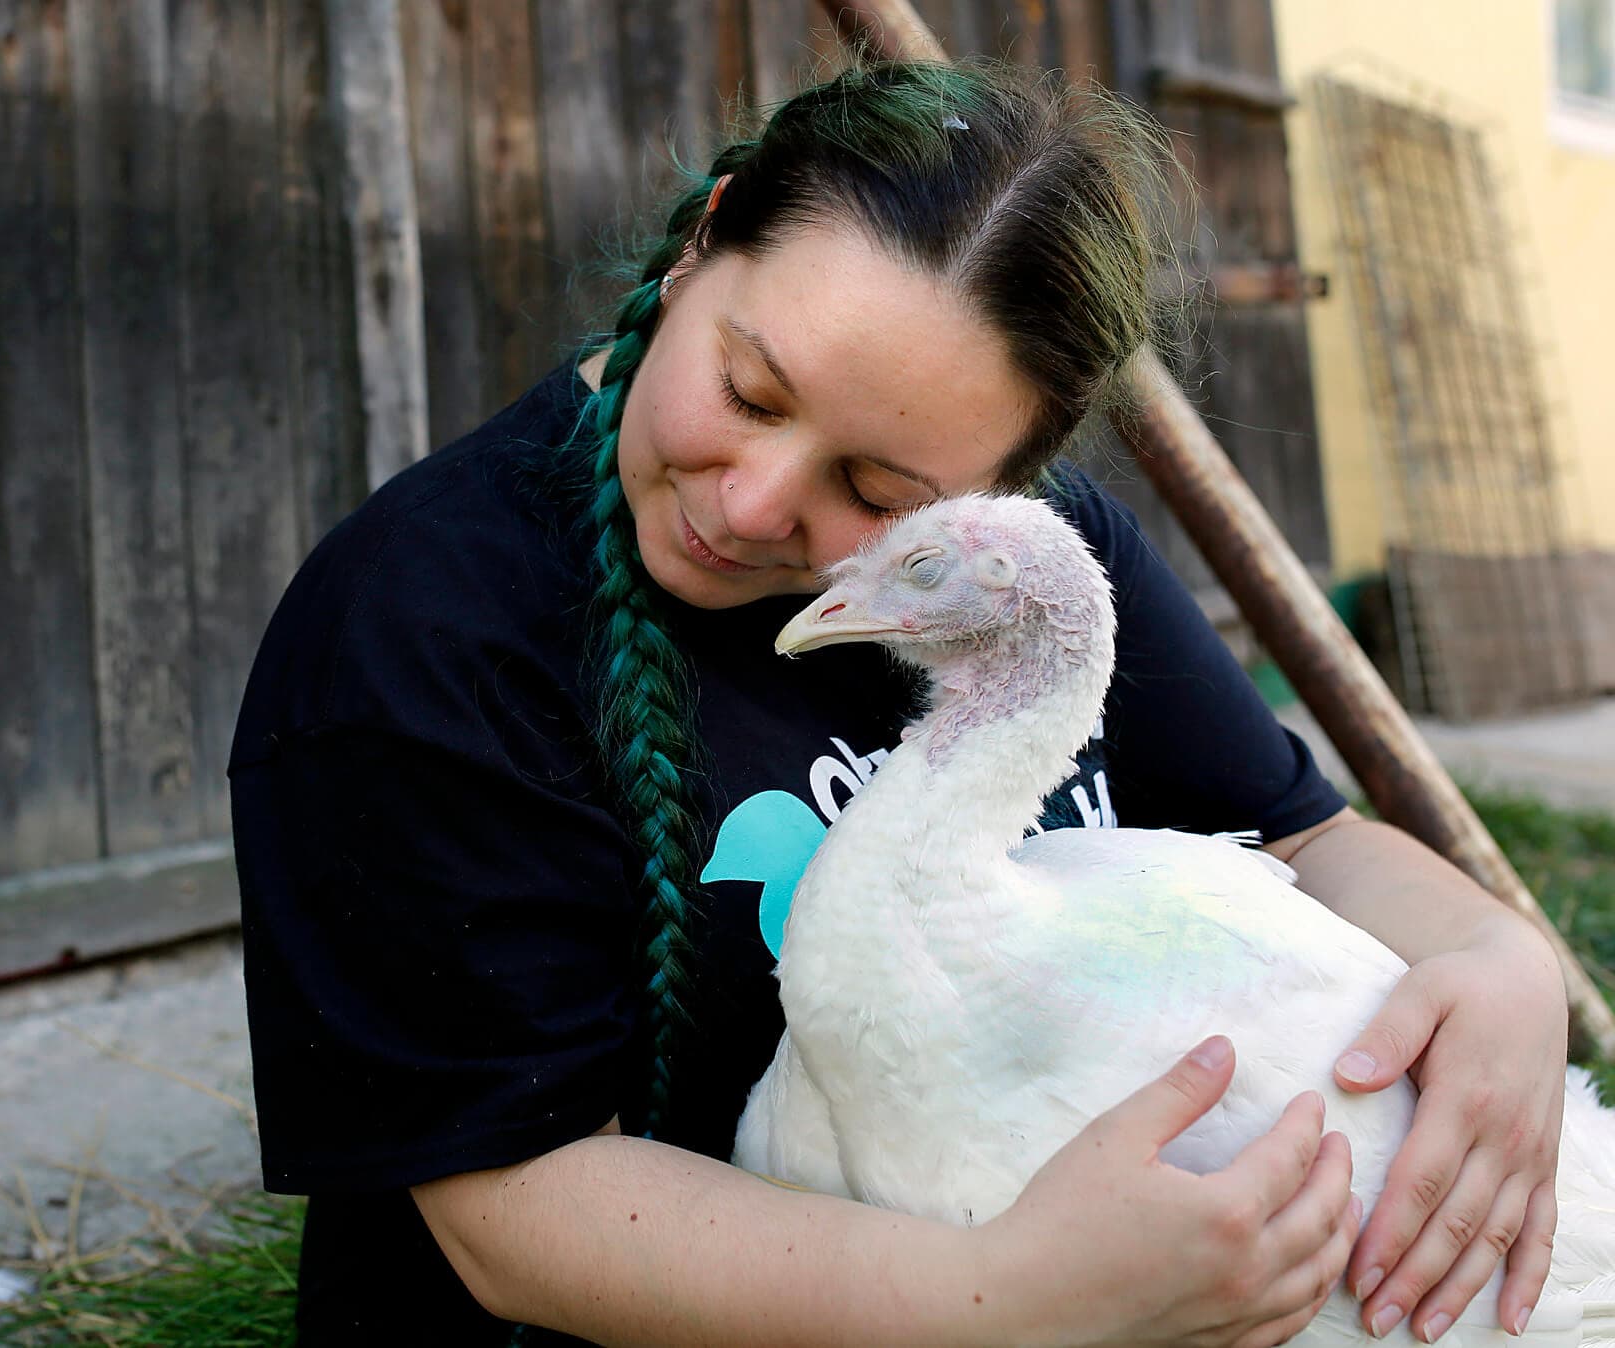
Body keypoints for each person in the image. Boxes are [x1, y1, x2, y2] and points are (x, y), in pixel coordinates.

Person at [230, 58, 1568, 1345]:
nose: (751, 505)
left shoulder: (1017, 579)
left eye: (881, 496)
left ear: (1009, 481)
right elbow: (517, 1215)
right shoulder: (419, 637)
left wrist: (1500, 964)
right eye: (751, 390)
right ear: (706, 237)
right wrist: (1006, 1302)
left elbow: (1307, 843)